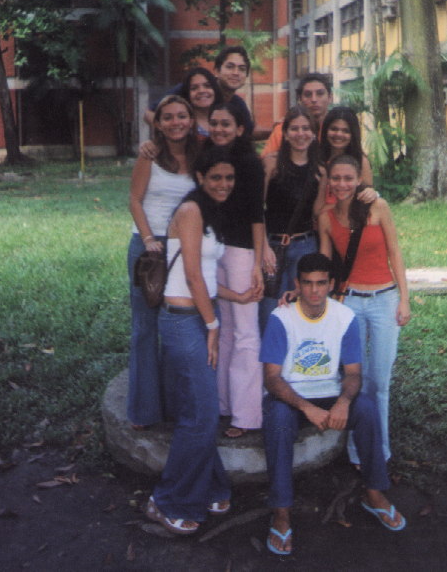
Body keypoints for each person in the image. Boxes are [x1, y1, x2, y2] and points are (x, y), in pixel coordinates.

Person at [260, 252, 406, 556]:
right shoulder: (281, 318)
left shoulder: (344, 317)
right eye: (307, 283)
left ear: (331, 284)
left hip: (330, 391)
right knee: (278, 421)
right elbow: (272, 379)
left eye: (321, 283)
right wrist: (306, 407)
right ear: (297, 283)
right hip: (292, 396)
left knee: (366, 409)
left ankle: (374, 493)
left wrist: (343, 402)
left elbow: (353, 373)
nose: (314, 290)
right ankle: (281, 512)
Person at [146, 147, 259, 535]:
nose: (224, 184)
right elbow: (192, 276)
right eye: (216, 178)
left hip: (199, 316)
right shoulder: (192, 211)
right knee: (202, 416)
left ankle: (210, 485)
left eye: (229, 178)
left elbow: (205, 278)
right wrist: (213, 326)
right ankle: (167, 500)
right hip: (184, 322)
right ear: (200, 178)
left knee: (200, 410)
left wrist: (236, 297)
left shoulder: (211, 213)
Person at [318, 154, 410, 469]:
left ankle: (380, 452)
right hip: (350, 302)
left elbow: (395, 253)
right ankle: (357, 451)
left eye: (348, 178)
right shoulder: (326, 217)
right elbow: (324, 265)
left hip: (384, 299)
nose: (342, 184)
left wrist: (404, 299)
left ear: (359, 180)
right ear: (329, 182)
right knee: (354, 378)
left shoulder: (378, 207)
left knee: (379, 382)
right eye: (336, 178)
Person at [127, 96, 198, 429]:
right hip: (150, 247)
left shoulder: (199, 157)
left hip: (184, 248)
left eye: (182, 116)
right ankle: (143, 410)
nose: (175, 122)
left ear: (191, 120)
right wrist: (148, 240)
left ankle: (173, 405)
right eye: (167, 117)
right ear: (158, 123)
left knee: (176, 329)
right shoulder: (150, 155)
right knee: (145, 328)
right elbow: (134, 200)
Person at [207, 103, 265, 438]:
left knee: (245, 332)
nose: (219, 129)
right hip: (214, 249)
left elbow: (257, 215)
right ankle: (223, 404)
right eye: (214, 123)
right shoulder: (209, 157)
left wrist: (257, 263)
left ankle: (246, 415)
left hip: (242, 252)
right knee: (226, 329)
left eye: (226, 123)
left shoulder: (249, 163)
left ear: (240, 128)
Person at [259, 106, 326, 334]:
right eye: (294, 129)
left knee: (302, 310)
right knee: (270, 311)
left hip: (305, 246)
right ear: (285, 134)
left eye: (306, 128)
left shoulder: (320, 170)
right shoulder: (271, 164)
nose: (300, 134)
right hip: (273, 246)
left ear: (313, 133)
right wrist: (264, 247)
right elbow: (257, 208)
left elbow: (317, 212)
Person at [143, 45, 254, 136]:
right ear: (217, 71)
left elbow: (247, 132)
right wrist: (171, 137)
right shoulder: (190, 89)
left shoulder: (238, 104)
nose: (236, 73)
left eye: (242, 69)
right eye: (230, 67)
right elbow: (149, 114)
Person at [261, 72, 332, 157]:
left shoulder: (337, 129)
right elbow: (266, 159)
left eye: (320, 93)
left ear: (330, 97)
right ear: (300, 100)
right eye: (308, 94)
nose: (314, 99)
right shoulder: (283, 129)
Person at [319, 106, 373, 187]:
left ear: (353, 134)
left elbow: (368, 192)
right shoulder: (316, 158)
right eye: (334, 129)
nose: (338, 134)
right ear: (325, 130)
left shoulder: (361, 161)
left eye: (345, 131)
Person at [178, 67, 223, 140]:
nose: (201, 91)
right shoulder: (182, 125)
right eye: (194, 88)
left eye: (207, 86)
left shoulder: (228, 117)